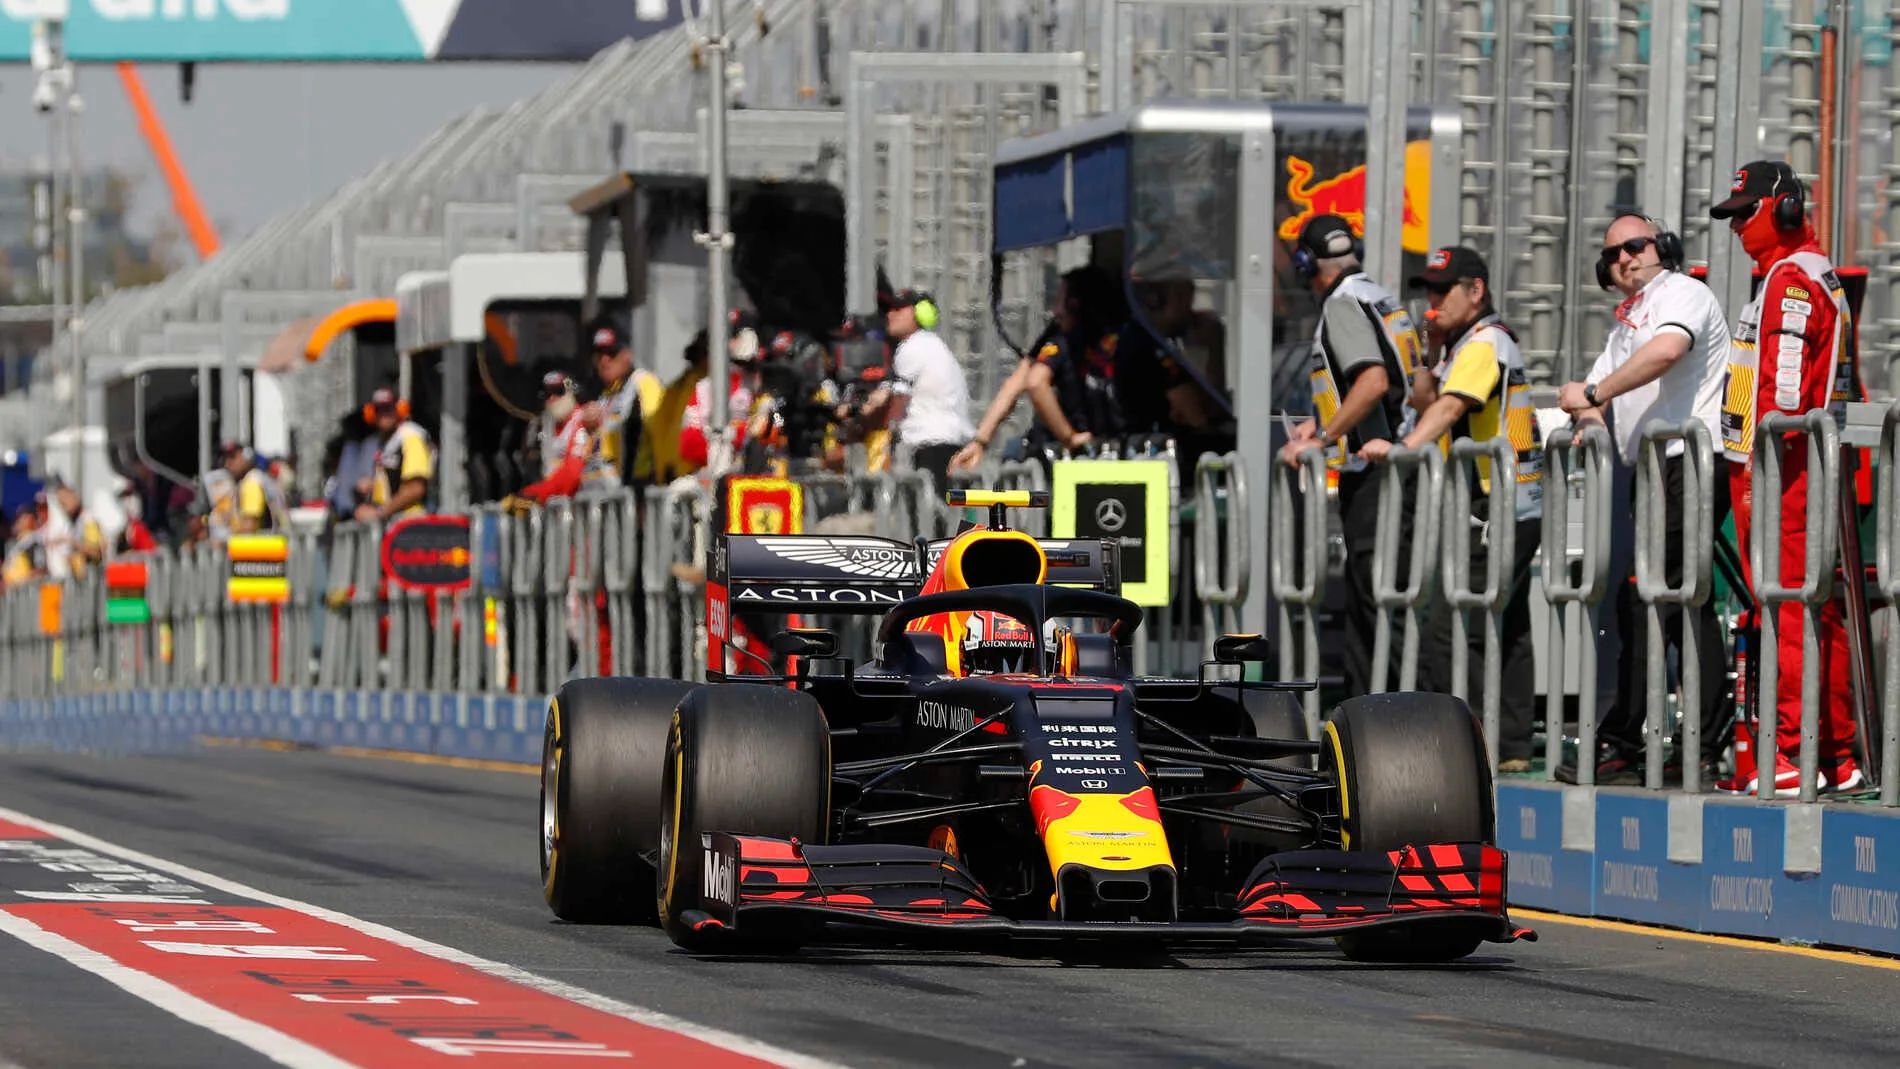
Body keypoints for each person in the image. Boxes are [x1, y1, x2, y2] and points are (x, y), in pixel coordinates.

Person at [1554, 214, 1732, 785]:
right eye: (1612, 254)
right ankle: (1653, 738)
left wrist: (1594, 395)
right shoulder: (1627, 323)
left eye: (1634, 245)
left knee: (1675, 598)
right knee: (1657, 601)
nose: (1624, 258)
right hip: (1658, 469)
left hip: (1691, 463)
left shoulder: (1682, 291)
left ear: (1662, 247)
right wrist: (1590, 405)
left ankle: (1675, 740)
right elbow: (1585, 397)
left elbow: (1666, 352)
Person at [1710, 160, 1861, 795]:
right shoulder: (1799, 274)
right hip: (1797, 467)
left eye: (1749, 211)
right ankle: (1836, 756)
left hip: (1784, 471)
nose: (1739, 224)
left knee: (1789, 607)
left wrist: (1761, 461)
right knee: (1811, 609)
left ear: (1786, 208)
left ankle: (1794, 755)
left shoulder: (1791, 280)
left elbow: (1784, 393)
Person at [1366, 246, 1543, 770]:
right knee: (1506, 623)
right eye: (1428, 290)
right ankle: (1508, 746)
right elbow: (1426, 397)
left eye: (1444, 290)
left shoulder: (1486, 342)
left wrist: (1405, 448)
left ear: (1477, 290)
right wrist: (1429, 346)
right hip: (1506, 502)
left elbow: (1448, 407)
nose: (1432, 301)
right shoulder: (1465, 342)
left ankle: (1452, 750)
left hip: (1494, 506)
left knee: (1449, 623)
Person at [1279, 214, 1425, 699]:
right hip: (1401, 464)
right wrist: (1321, 426)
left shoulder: (1342, 303)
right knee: (1390, 599)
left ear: (1307, 264)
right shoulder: (1378, 295)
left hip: (1375, 473)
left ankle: (1375, 718)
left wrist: (1321, 441)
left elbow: (1372, 381)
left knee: (1373, 603)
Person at [950, 266, 1123, 471]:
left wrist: (980, 442)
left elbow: (1031, 381)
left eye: (1061, 302)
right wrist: (1069, 437)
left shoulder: (1073, 338)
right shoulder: (1060, 336)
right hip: (1081, 453)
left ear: (1076, 305)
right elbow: (1024, 380)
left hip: (1085, 453)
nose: (1056, 312)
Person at [842, 288, 974, 490]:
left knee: (928, 518)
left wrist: (859, 422)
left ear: (921, 313)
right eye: (889, 309)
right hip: (948, 443)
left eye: (898, 309)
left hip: (934, 447)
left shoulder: (913, 346)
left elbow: (895, 407)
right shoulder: (931, 345)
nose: (890, 315)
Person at [504, 373, 596, 512]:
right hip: (552, 506)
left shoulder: (583, 421)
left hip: (580, 505)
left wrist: (532, 494)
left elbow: (572, 475)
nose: (552, 398)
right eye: (546, 394)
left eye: (558, 391)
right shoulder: (541, 425)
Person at [589, 318, 664, 486]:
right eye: (599, 354)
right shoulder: (605, 396)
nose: (604, 360)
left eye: (611, 353)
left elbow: (658, 432)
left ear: (627, 354)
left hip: (640, 484)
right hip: (611, 491)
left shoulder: (643, 383)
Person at [355, 388, 434, 525]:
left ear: (399, 409)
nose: (384, 415)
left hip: (412, 523)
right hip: (396, 523)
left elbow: (416, 488)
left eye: (388, 409)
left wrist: (379, 513)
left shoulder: (410, 437)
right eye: (379, 410)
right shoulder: (386, 441)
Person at [218, 441, 288, 535]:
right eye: (225, 458)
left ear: (246, 458)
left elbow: (249, 526)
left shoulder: (252, 482)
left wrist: (225, 539)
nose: (228, 463)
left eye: (233, 457)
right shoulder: (258, 478)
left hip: (265, 546)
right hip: (275, 542)